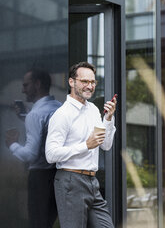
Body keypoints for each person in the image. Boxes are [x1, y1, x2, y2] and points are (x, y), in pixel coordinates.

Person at [45, 62, 117, 228]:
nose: (89, 86)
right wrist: (86, 145)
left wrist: (108, 119)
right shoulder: (62, 115)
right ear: (72, 82)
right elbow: (51, 154)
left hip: (92, 182)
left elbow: (106, 145)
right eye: (85, 81)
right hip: (70, 181)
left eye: (92, 82)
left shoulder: (92, 109)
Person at [5, 69, 61, 228]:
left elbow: (30, 154)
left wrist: (12, 145)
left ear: (37, 84)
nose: (23, 90)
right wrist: (26, 119)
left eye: (26, 85)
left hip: (41, 179)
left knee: (39, 223)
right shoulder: (61, 108)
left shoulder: (35, 115)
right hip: (61, 175)